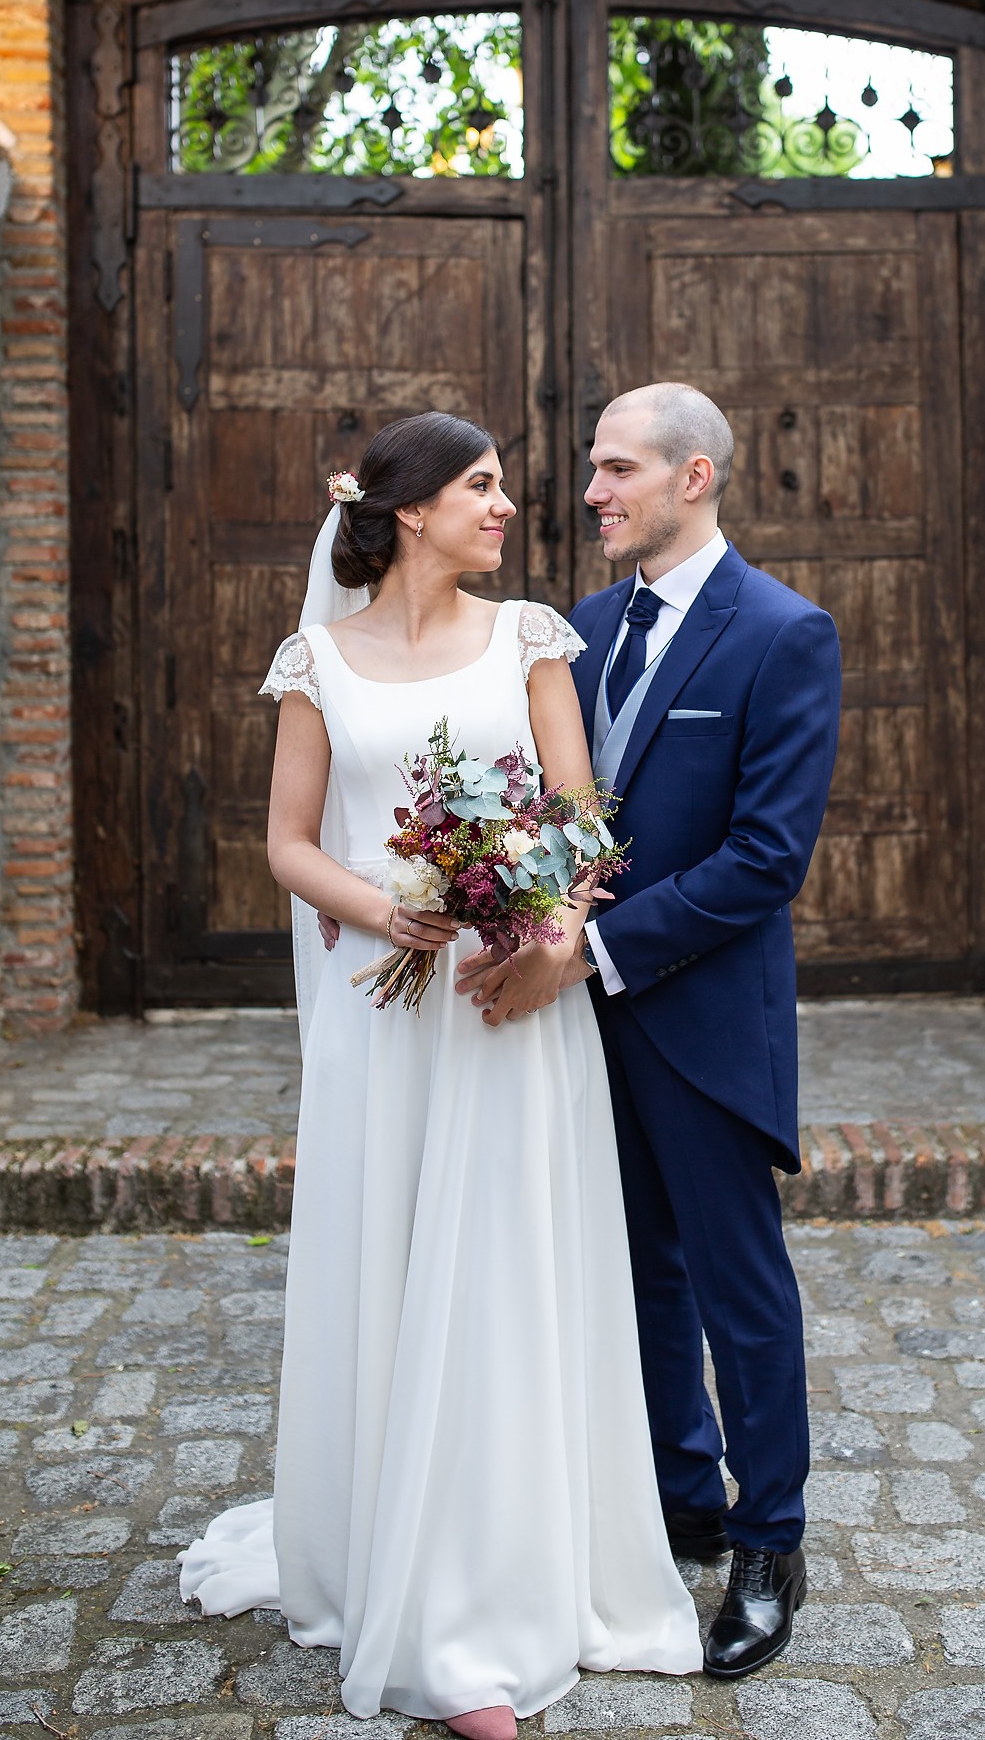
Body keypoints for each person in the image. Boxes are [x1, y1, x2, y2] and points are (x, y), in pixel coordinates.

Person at [177, 411, 701, 1737]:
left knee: (500, 1275)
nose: (508, 505)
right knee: (388, 1264)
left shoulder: (530, 638)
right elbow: (288, 845)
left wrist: (543, 919)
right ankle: (379, 1555)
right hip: (378, 1014)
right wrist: (388, 902)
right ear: (409, 509)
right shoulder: (318, 665)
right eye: (481, 486)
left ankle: (486, 1602)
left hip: (503, 1013)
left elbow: (582, 818)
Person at [457, 383, 841, 1679]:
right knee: (630, 1268)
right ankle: (679, 1494)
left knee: (739, 1288)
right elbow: (556, 812)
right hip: (581, 1026)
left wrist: (590, 952)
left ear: (695, 477)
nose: (589, 493)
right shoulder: (583, 626)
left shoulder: (783, 634)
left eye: (616, 470)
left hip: (702, 1017)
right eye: (590, 469)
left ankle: (770, 1540)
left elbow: (763, 861)